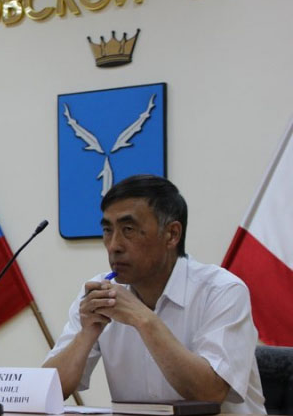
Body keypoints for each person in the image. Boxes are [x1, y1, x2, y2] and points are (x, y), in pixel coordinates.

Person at [43, 175, 265, 414]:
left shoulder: (222, 291)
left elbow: (210, 393)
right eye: (108, 230)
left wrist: (144, 320)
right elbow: (45, 392)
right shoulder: (99, 294)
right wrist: (86, 334)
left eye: (128, 230)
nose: (114, 245)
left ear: (172, 234)